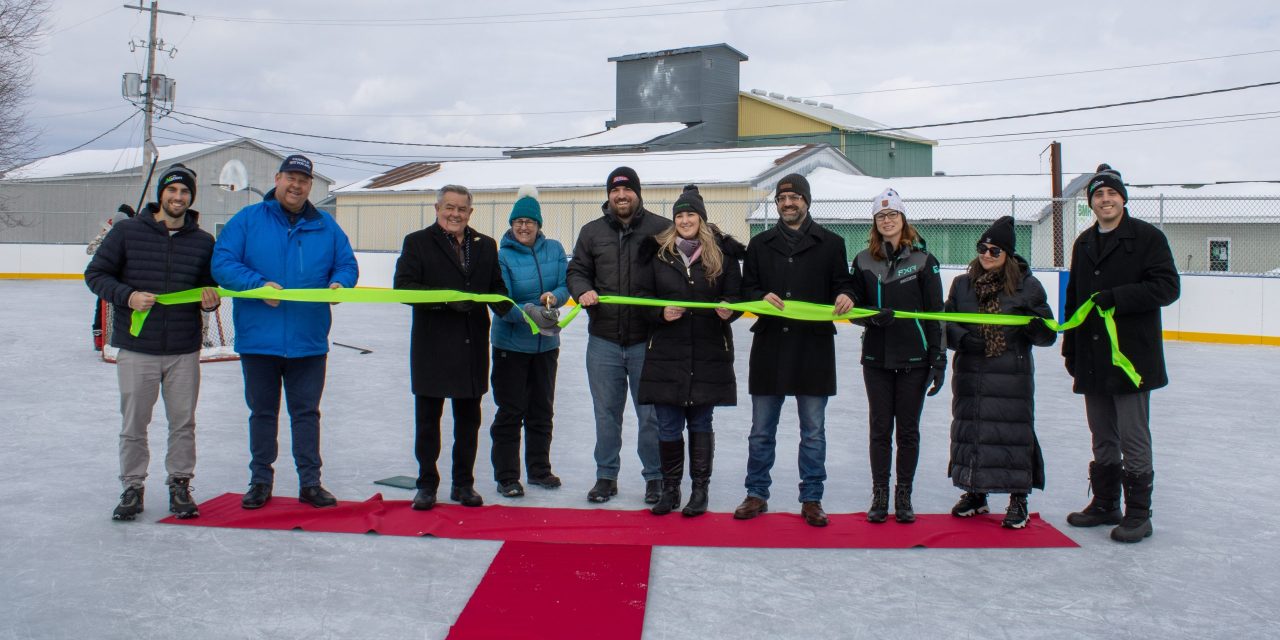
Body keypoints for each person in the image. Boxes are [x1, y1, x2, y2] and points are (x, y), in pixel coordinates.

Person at [211, 154, 359, 510]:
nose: (297, 185)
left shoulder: (325, 225)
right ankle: (260, 480)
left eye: (304, 180)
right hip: (259, 340)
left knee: (307, 414)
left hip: (308, 342)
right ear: (277, 179)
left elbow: (346, 264)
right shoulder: (248, 220)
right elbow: (223, 262)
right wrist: (258, 285)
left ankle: (310, 482)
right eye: (290, 177)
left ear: (310, 185)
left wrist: (340, 283)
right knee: (262, 413)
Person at [85, 164, 219, 520]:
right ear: (161, 194)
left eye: (185, 192)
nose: (178, 197)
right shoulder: (127, 232)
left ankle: (179, 483)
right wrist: (127, 296)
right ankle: (132, 487)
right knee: (134, 423)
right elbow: (95, 275)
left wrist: (212, 299)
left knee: (183, 422)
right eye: (172, 191)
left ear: (191, 198)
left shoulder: (203, 241)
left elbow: (209, 285)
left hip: (183, 349)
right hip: (137, 348)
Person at [1062, 163, 1180, 543]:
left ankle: (1139, 514)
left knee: (1133, 434)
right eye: (1098, 195)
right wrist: (1070, 347)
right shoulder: (1083, 243)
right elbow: (1074, 299)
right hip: (1093, 356)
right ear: (1091, 203)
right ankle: (1106, 502)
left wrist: (1119, 298)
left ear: (1123, 198)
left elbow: (1167, 287)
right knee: (1102, 434)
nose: (1106, 200)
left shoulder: (1147, 238)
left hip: (1131, 357)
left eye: (1112, 193)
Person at [734, 174, 855, 527]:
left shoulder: (832, 244)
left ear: (806, 201)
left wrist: (848, 296)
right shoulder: (760, 244)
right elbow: (747, 289)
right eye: (782, 198)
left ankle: (812, 498)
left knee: (813, 431)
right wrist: (758, 299)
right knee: (761, 430)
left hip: (813, 349)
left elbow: (843, 284)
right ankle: (756, 493)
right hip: (770, 346)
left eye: (795, 197)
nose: (788, 203)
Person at [394, 184, 510, 510]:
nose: (455, 214)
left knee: (468, 423)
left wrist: (518, 312)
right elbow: (403, 288)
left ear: (470, 213)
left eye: (461, 209)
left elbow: (496, 288)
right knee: (428, 422)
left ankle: (464, 484)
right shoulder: (417, 242)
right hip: (432, 348)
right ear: (437, 208)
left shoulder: (485, 245)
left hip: (471, 348)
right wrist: (446, 301)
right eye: (449, 207)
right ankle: (427, 485)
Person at [636, 185, 744, 517]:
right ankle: (670, 490)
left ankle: (700, 491)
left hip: (708, 350)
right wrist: (659, 312)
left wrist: (730, 308)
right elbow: (641, 299)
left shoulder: (720, 255)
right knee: (667, 425)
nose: (684, 220)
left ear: (701, 219)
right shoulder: (658, 254)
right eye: (680, 215)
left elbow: (737, 296)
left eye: (690, 214)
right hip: (667, 352)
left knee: (700, 423)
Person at [566, 167, 673, 504]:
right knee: (606, 414)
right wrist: (583, 290)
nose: (621, 196)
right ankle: (606, 476)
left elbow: (675, 272)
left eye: (627, 190)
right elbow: (577, 270)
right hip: (604, 340)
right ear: (609, 195)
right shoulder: (591, 232)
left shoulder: (660, 229)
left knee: (651, 416)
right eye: (615, 191)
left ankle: (654, 478)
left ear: (638, 193)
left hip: (648, 340)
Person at [944, 216, 1058, 529]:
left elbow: (1049, 336)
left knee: (1012, 436)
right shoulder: (963, 284)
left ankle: (1018, 497)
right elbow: (944, 321)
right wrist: (964, 339)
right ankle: (975, 493)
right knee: (973, 432)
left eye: (995, 250)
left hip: (1011, 375)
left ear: (1007, 254)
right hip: (971, 372)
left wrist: (1037, 330)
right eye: (983, 247)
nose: (987, 254)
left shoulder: (1026, 286)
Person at [850, 188, 945, 524]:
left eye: (893, 215)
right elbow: (852, 308)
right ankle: (879, 495)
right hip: (876, 358)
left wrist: (938, 358)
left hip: (914, 360)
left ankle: (903, 495)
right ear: (875, 223)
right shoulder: (863, 260)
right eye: (881, 216)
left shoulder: (924, 261)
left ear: (904, 220)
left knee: (907, 431)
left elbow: (936, 313)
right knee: (879, 429)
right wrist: (869, 317)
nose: (887, 220)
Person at [488, 186, 569, 498]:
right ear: (512, 224)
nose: (524, 227)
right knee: (510, 411)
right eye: (518, 221)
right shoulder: (502, 256)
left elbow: (564, 285)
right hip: (511, 346)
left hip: (546, 346)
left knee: (541, 410)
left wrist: (554, 297)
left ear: (539, 224)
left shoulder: (555, 249)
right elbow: (502, 301)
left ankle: (539, 470)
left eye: (530, 222)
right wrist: (530, 314)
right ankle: (507, 476)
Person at [88, 204, 136, 351]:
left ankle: (109, 337)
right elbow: (90, 249)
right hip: (110, 277)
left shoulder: (133, 231)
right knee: (104, 307)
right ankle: (102, 337)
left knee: (115, 307)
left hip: (119, 278)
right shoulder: (111, 233)